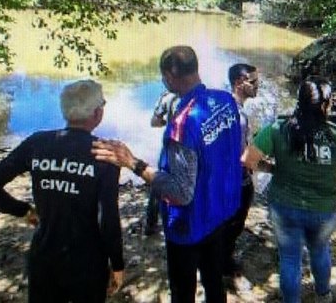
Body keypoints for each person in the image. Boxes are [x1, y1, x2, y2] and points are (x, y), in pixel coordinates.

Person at [92, 46, 242, 303]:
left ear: (171, 76)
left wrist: (133, 163)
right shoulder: (225, 100)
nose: (163, 81)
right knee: (214, 280)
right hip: (220, 210)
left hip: (189, 224)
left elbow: (180, 192)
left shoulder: (183, 124)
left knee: (183, 292)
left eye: (163, 76)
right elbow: (231, 150)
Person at [0, 80, 124, 303]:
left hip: (45, 255)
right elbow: (108, 218)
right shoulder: (104, 153)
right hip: (87, 261)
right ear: (97, 113)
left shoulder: (38, 143)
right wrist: (118, 265)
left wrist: (24, 211)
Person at [242, 77, 336, 303]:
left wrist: (273, 168)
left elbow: (248, 160)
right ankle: (323, 295)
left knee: (290, 258)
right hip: (323, 209)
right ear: (325, 105)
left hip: (284, 207)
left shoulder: (278, 128)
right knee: (320, 250)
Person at [222, 63, 259, 276]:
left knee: (226, 222)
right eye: (253, 82)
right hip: (237, 180)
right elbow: (244, 157)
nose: (257, 86)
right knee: (234, 224)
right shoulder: (239, 116)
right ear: (238, 83)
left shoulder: (227, 106)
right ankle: (224, 263)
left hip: (224, 178)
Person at [145, 90, 180, 236]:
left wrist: (166, 122)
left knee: (159, 183)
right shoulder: (201, 94)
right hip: (190, 148)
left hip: (170, 147)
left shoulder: (167, 96)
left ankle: (151, 224)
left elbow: (154, 122)